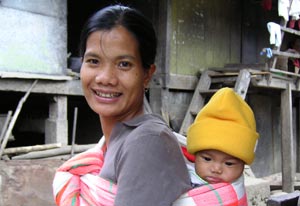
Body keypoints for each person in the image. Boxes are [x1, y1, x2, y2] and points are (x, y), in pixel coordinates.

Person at [52, 4, 191, 206]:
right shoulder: (113, 142)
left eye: (124, 64)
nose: (105, 78)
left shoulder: (147, 142)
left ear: (147, 75)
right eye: (93, 61)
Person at [186, 87, 259, 193]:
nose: (216, 169)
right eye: (207, 159)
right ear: (195, 157)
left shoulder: (235, 192)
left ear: (244, 165)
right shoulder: (180, 182)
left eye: (229, 163)